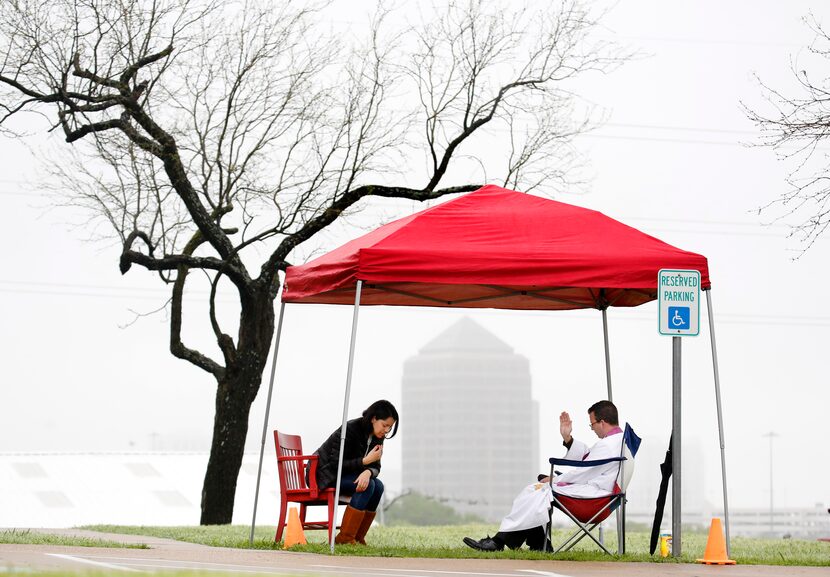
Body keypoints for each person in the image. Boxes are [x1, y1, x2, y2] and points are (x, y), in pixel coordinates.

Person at [463, 400, 623, 552]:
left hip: (594, 500)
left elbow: (584, 471)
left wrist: (554, 480)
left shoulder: (607, 445)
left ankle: (501, 541)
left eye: (592, 424)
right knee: (537, 492)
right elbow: (589, 459)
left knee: (537, 490)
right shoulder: (616, 441)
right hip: (599, 495)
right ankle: (538, 542)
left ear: (602, 422)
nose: (592, 428)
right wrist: (567, 438)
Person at [312, 399, 398, 545]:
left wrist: (368, 472)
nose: (386, 431)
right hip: (325, 475)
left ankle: (357, 537)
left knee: (378, 486)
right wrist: (364, 462)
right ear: (373, 418)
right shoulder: (351, 429)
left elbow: (376, 466)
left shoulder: (378, 437)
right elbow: (335, 464)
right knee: (368, 486)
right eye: (385, 425)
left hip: (347, 475)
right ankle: (345, 538)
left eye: (389, 427)